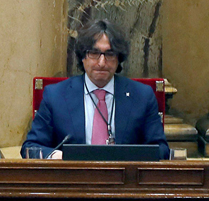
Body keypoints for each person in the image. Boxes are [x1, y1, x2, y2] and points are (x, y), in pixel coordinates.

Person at [22, 19, 169, 159]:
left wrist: (129, 159)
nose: (101, 62)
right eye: (94, 53)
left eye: (110, 54)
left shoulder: (142, 96)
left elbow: (161, 150)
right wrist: (61, 157)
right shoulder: (55, 96)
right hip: (72, 181)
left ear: (119, 58)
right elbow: (30, 148)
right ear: (82, 57)